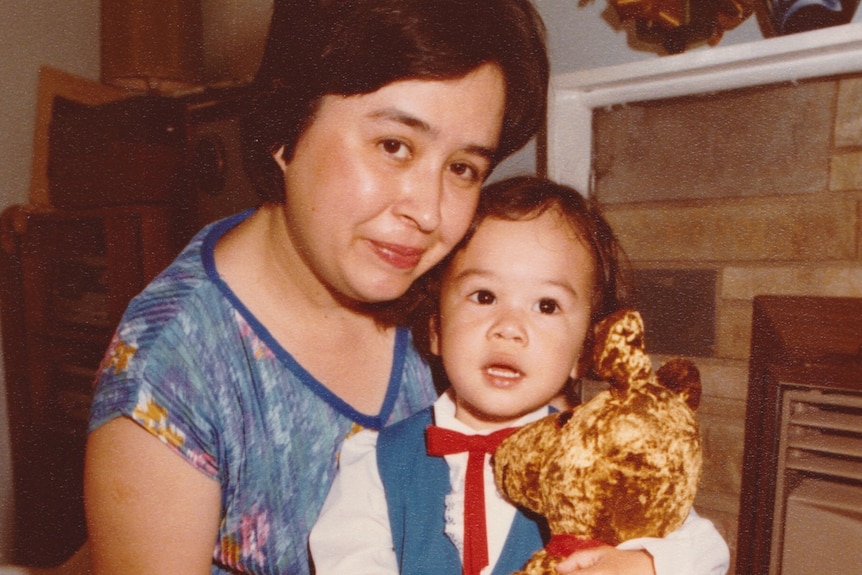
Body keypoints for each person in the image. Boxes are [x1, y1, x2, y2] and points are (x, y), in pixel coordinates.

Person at [83, 1, 548, 574]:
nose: (429, 214)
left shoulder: (460, 293)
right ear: (286, 128)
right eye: (394, 146)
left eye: (462, 169)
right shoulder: (169, 373)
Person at [309, 176, 730, 575]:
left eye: (546, 306)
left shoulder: (604, 454)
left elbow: (706, 550)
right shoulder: (377, 460)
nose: (509, 327)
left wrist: (644, 562)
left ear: (582, 353)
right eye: (484, 296)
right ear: (436, 330)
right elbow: (346, 559)